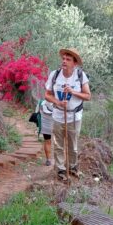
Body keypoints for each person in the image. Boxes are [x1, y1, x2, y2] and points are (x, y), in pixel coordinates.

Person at [44, 48, 91, 181]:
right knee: (58, 144)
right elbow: (47, 95)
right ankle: (60, 170)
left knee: (73, 145)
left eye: (68, 59)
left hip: (75, 117)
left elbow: (88, 96)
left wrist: (73, 92)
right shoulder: (55, 75)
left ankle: (73, 167)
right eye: (63, 58)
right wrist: (58, 102)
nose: (64, 61)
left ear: (74, 63)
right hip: (58, 115)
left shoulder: (80, 76)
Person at [36, 99, 54, 166]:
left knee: (47, 141)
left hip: (45, 125)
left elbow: (37, 113)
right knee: (59, 141)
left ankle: (48, 160)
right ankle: (61, 160)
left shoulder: (41, 102)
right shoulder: (59, 103)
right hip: (57, 123)